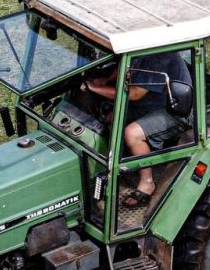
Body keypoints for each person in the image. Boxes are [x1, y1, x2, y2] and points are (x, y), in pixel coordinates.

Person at [82, 52, 191, 206]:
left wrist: (95, 88)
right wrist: (107, 79)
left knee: (132, 133)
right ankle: (113, 167)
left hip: (175, 110)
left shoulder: (159, 57)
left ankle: (147, 182)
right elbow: (127, 65)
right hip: (151, 103)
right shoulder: (139, 47)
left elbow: (135, 94)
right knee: (111, 117)